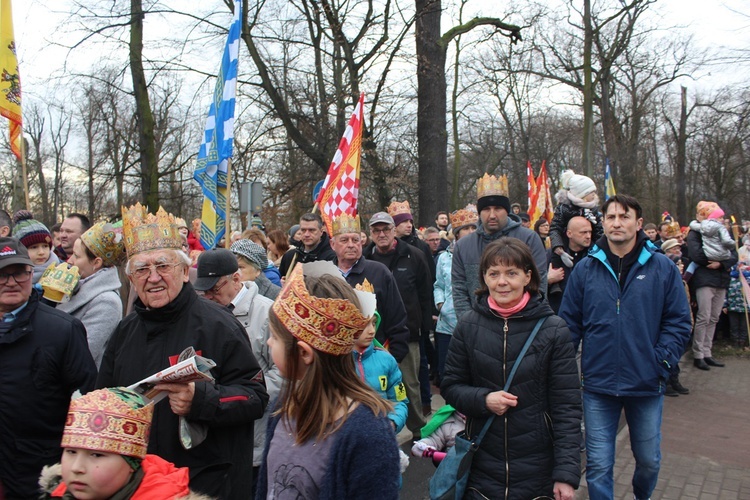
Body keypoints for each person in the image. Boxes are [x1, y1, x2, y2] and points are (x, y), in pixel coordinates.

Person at [96, 204, 269, 499]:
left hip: (206, 485)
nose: (153, 277)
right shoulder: (124, 334)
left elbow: (255, 396)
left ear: (185, 272)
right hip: (140, 486)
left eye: (163, 266)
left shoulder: (219, 326)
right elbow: (105, 400)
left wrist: (200, 400)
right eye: (142, 269)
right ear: (131, 279)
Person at [559, 194, 692, 500]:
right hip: (597, 384)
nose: (617, 223)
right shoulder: (586, 269)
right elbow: (569, 324)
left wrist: (661, 361)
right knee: (598, 465)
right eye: (611, 217)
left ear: (638, 223)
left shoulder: (662, 267)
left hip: (645, 382)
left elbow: (679, 322)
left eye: (624, 216)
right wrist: (563, 369)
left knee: (648, 460)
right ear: (602, 223)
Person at [442, 238, 582, 499]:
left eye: (511, 273)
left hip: (537, 467)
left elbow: (567, 406)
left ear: (528, 276)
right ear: (484, 278)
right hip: (482, 465)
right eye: (493, 274)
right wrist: (483, 399)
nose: (501, 282)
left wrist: (566, 473)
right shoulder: (468, 325)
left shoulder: (554, 329)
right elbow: (451, 386)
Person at [256, 264, 400, 499]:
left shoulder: (368, 436)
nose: (269, 343)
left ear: (303, 353)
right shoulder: (283, 408)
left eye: (274, 336)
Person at [0, 237, 97, 499]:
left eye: (19, 273)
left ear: (31, 273)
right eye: (2, 274)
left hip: (40, 473)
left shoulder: (62, 330)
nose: (11, 282)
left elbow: (86, 404)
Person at [193, 248, 279, 494]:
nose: (208, 296)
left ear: (236, 279)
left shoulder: (267, 312)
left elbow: (285, 374)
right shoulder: (202, 312)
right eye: (204, 290)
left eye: (215, 289)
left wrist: (245, 396)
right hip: (214, 431)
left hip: (255, 435)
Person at [39, 387, 212, 500]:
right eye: (71, 451)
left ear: (132, 462)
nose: (77, 467)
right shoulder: (53, 494)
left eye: (97, 454)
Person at [365, 211, 432, 436]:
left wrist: (424, 326)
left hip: (407, 333)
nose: (382, 234)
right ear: (371, 234)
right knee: (375, 385)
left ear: (394, 231)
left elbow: (425, 293)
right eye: (377, 230)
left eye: (386, 229)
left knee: (408, 385)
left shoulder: (414, 255)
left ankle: (419, 431)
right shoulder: (366, 260)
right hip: (372, 336)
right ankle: (379, 432)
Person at [452, 173, 548, 320]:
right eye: (486, 209)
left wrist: (523, 324)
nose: (492, 215)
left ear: (507, 210)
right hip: (478, 329)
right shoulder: (463, 246)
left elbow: (539, 284)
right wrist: (470, 326)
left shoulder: (529, 239)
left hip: (522, 325)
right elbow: (459, 291)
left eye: (497, 208)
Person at [329, 214, 410, 365]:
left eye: (355, 240)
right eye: (344, 240)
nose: (351, 245)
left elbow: (396, 316)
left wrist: (394, 357)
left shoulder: (379, 272)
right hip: (334, 361)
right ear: (333, 244)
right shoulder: (324, 275)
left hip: (373, 357)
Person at [60, 221, 126, 368]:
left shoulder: (107, 302)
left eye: (76, 256)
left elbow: (82, 354)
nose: (70, 261)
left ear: (96, 263)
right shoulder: (76, 285)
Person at [687, 200, 737, 370]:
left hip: (721, 278)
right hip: (704, 278)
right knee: (704, 316)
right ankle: (698, 353)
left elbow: (734, 253)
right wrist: (713, 261)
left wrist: (720, 264)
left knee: (714, 317)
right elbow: (696, 253)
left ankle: (708, 352)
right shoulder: (695, 232)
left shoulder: (722, 231)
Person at [351, 284, 409, 433]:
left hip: (383, 435)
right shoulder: (337, 361)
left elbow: (400, 400)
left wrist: (392, 423)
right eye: (364, 325)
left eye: (374, 323)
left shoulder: (387, 360)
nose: (371, 331)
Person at [434, 206, 478, 383]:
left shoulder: (483, 254)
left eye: (473, 228)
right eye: (466, 228)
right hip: (447, 324)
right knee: (449, 371)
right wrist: (440, 304)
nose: (470, 232)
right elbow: (438, 285)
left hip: (475, 322)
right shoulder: (444, 258)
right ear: (457, 233)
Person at [549, 169, 603, 267]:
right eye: (591, 192)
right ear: (582, 194)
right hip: (565, 248)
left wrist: (601, 249)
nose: (594, 195)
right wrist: (558, 247)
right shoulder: (564, 208)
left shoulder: (593, 209)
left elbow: (599, 231)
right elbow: (555, 228)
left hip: (589, 249)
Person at [546, 216, 593, 314]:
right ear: (569, 234)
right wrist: (548, 280)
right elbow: (533, 287)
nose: (588, 236)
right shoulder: (552, 255)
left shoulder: (595, 256)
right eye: (583, 232)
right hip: (558, 315)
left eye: (590, 232)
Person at [278, 213, 336, 277]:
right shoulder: (290, 256)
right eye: (303, 230)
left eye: (312, 230)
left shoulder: (332, 258)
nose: (306, 234)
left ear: (321, 232)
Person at [11, 210, 58, 283]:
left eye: (45, 246)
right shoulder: (11, 279)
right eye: (34, 247)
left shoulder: (62, 271)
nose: (41, 252)